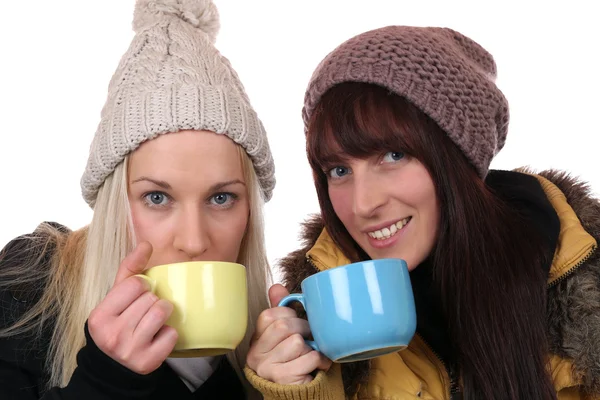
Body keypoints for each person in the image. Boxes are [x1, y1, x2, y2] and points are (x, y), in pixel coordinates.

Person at [244, 26, 600, 399]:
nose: (363, 204)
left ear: (457, 158)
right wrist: (299, 392)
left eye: (393, 156)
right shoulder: (315, 319)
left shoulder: (582, 279)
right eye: (339, 170)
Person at [0, 0, 276, 399]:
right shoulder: (31, 284)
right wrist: (105, 381)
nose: (194, 241)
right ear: (115, 203)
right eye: (157, 196)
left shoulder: (265, 346)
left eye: (221, 198)